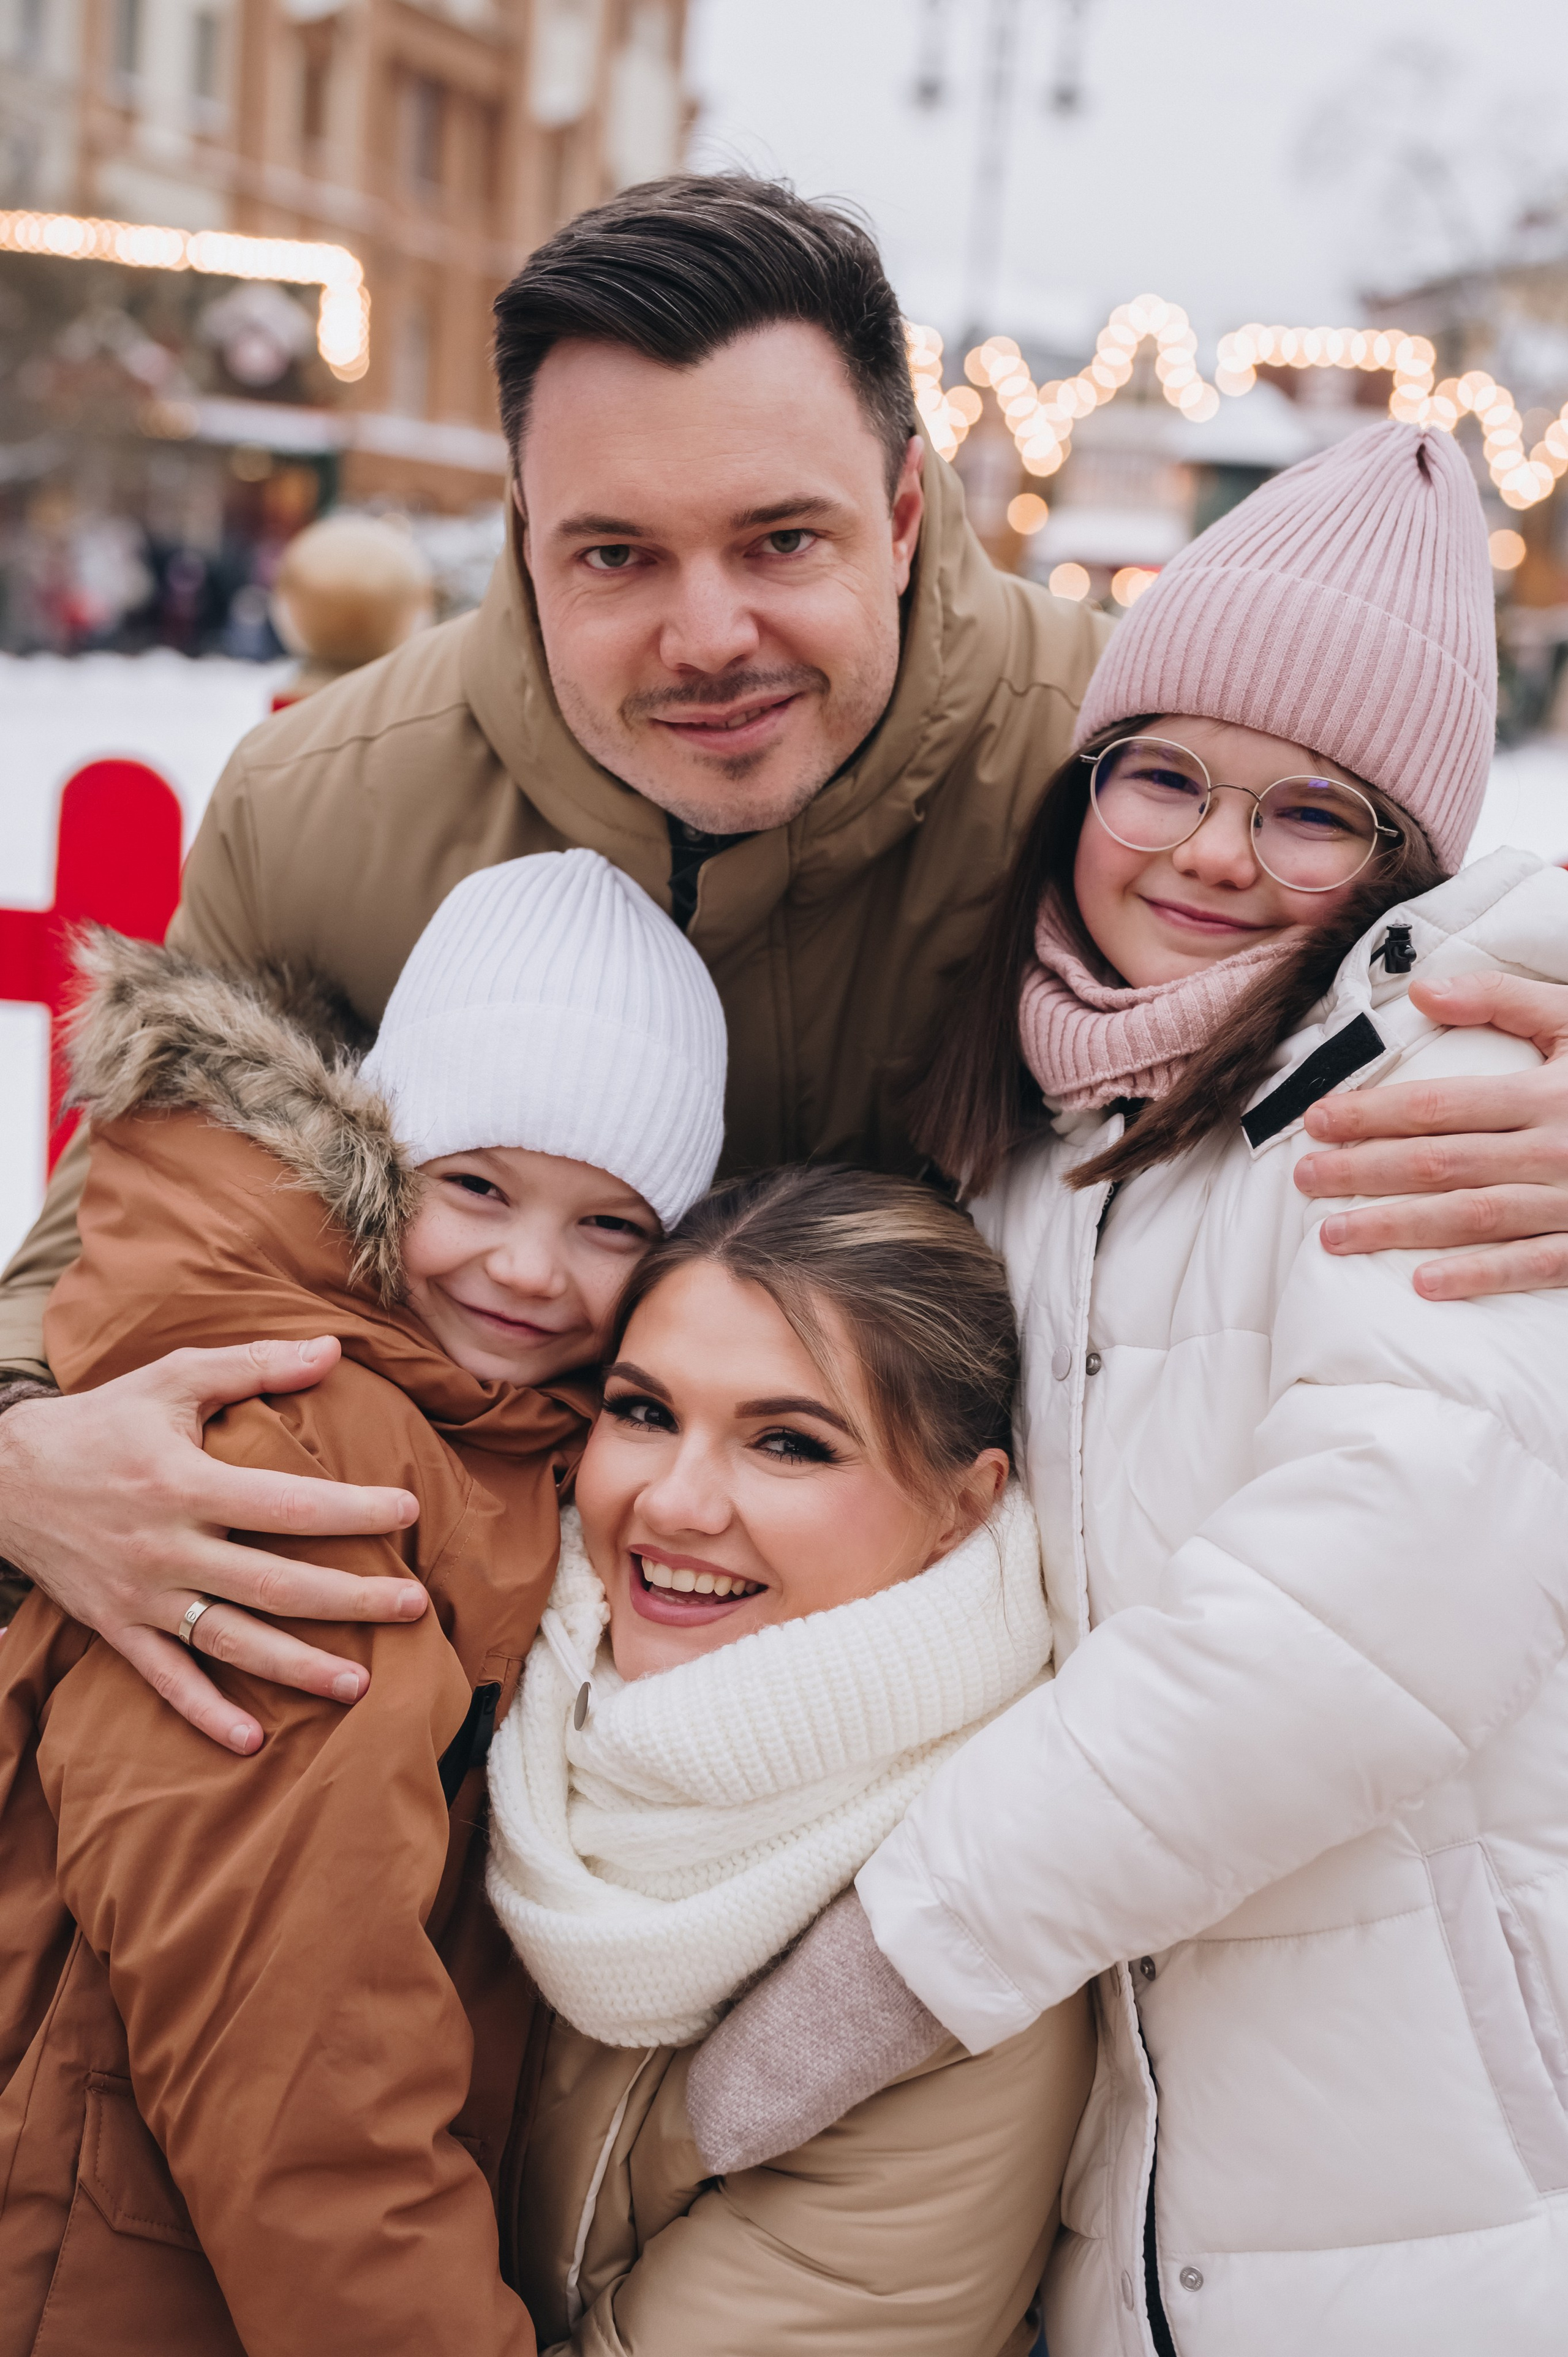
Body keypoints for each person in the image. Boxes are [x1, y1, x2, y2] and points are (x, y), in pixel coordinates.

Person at [5, 176, 1568, 1753]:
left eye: (779, 540)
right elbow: (112, 1240)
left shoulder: (1110, 775)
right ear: (524, 539)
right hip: (454, 1670)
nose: (706, 636)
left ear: (899, 513)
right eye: (615, 555)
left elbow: (1415, 914)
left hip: (962, 1700)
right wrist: (19, 1457)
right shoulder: (328, 805)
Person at [689, 424, 1568, 2355]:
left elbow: (1348, 1619)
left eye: (1313, 814)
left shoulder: (1441, 1110)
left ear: (1405, 864)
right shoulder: (1039, 1127)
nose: (1213, 852)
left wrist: (896, 1964)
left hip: (1418, 2206)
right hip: (1151, 2184)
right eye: (1162, 773)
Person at [0, 851, 725, 2353]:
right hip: (115, 2262)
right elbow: (291, 2032)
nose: (530, 1269)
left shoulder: (472, 1417)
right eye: (477, 1186)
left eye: (612, 1225)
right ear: (378, 1158)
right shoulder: (312, 1450)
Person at [487, 1164, 1093, 2356]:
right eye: (643, 1411)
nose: (673, 1500)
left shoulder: (954, 1959)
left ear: (961, 1508)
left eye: (787, 1442)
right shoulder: (495, 1690)